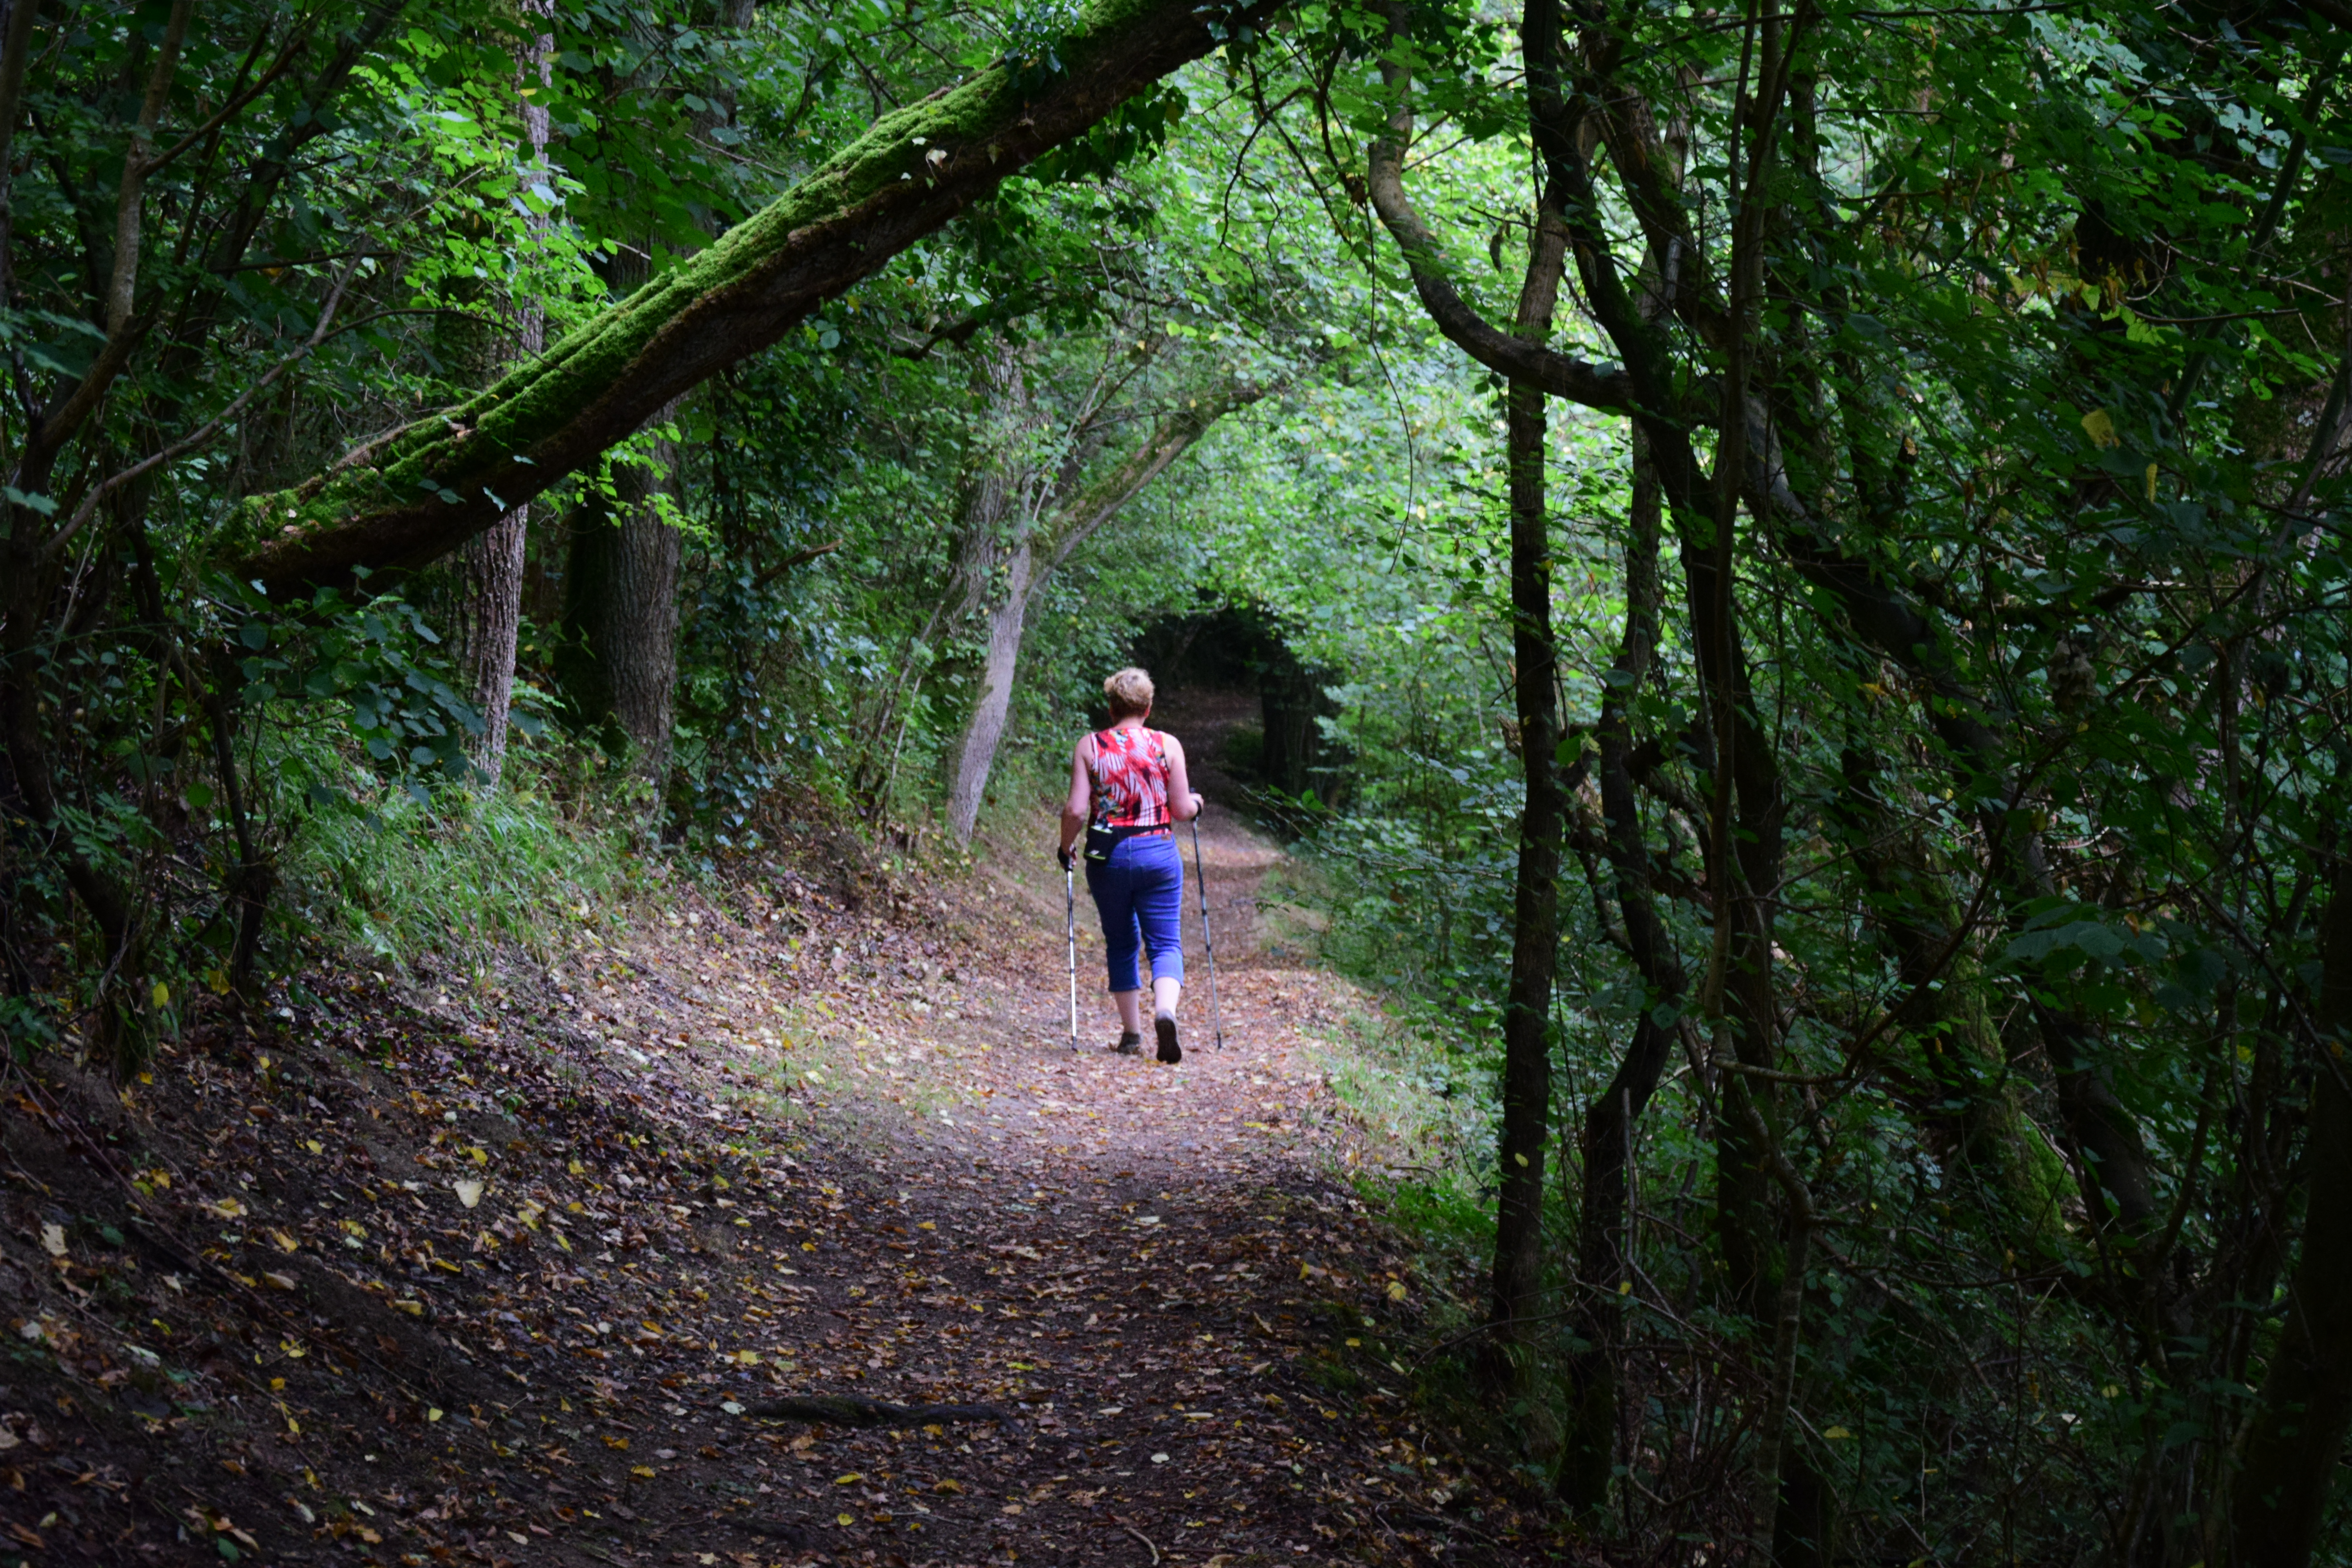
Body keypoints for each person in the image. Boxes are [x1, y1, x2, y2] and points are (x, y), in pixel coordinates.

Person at [1057, 667, 1203, 1063]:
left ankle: (1132, 1035)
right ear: (1148, 707)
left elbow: (1076, 810)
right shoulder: (1167, 745)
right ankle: (1165, 1012)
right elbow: (1181, 809)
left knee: (1121, 942)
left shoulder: (1090, 746)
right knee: (1166, 943)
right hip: (1159, 852)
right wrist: (1197, 803)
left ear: (1111, 708)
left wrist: (1066, 847)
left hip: (1110, 857)